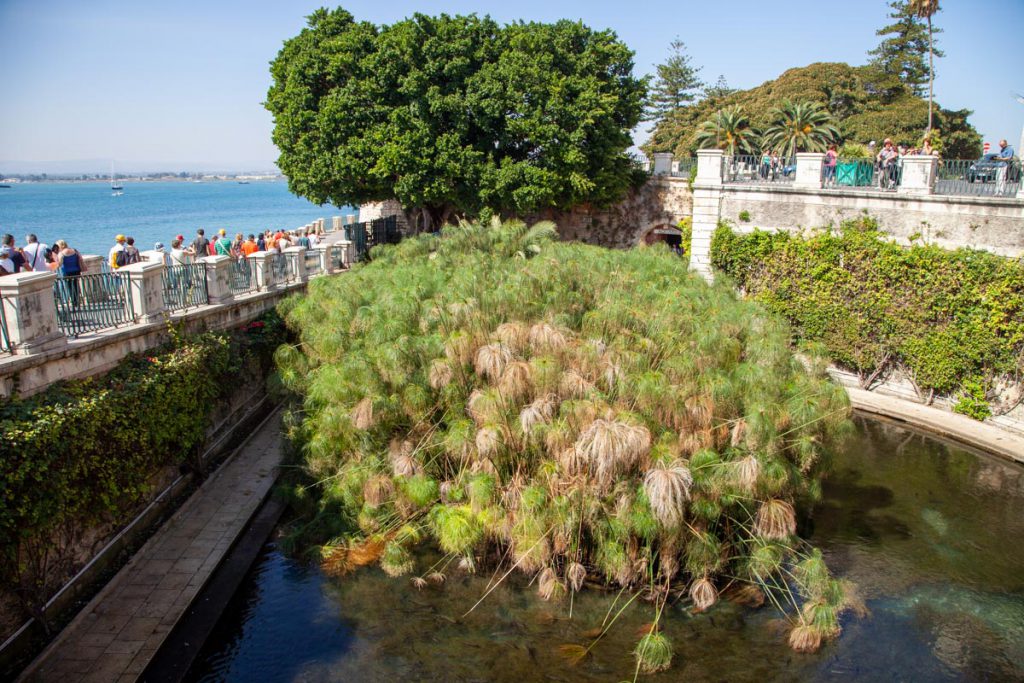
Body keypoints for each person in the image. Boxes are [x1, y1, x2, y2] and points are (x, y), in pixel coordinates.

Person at [54, 239, 86, 307]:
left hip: (67, 272)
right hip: (76, 271)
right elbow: (80, 258)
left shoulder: (61, 253)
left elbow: (59, 264)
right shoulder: (74, 250)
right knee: (76, 285)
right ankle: (77, 300)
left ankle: (74, 302)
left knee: (70, 287)